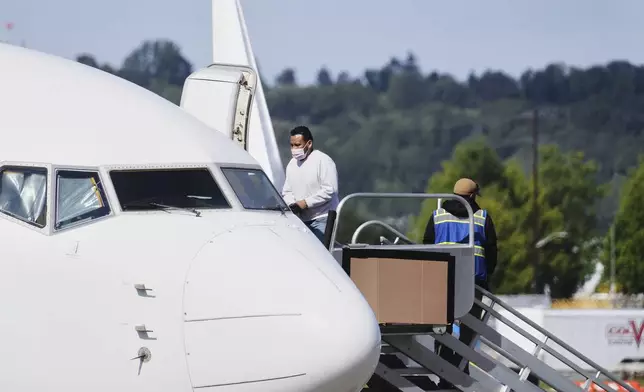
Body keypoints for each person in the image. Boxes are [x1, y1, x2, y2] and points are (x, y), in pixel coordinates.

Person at [422, 178, 498, 388]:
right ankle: (461, 364)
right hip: (473, 281)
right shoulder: (482, 217)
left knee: (441, 324)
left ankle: (444, 362)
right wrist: (487, 275)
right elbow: (492, 251)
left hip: (441, 279)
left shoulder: (438, 216)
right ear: (473, 196)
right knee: (469, 326)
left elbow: (426, 246)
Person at [282, 125, 339, 243]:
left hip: (323, 219)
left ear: (309, 144)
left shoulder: (323, 160)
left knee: (321, 255)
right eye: (292, 145)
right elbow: (287, 191)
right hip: (301, 220)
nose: (294, 149)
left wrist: (305, 203)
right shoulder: (292, 164)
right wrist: (292, 204)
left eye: (298, 145)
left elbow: (329, 190)